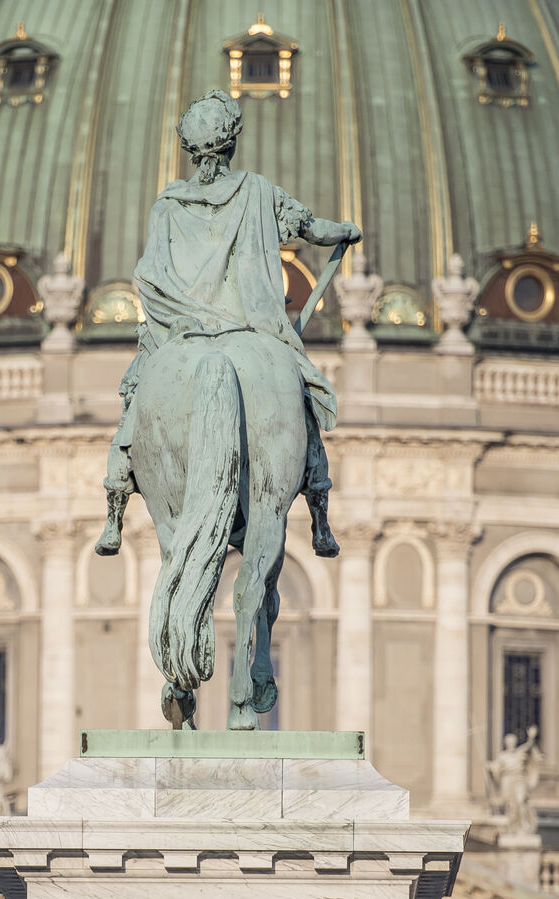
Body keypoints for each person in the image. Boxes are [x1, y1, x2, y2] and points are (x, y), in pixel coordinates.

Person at [94, 90, 358, 562]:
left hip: (184, 330)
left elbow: (150, 276)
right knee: (298, 399)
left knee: (136, 401)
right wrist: (345, 231)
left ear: (189, 148)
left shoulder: (168, 205)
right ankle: (319, 508)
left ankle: (115, 505)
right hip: (250, 329)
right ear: (233, 140)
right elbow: (313, 229)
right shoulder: (258, 190)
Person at [487, 725, 544, 836]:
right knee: (511, 806)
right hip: (507, 780)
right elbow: (496, 767)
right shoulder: (502, 756)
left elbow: (528, 746)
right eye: (508, 741)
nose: (511, 743)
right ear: (506, 743)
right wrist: (488, 766)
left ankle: (525, 824)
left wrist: (531, 738)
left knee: (521, 800)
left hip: (519, 779)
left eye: (512, 741)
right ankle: (512, 827)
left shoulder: (520, 752)